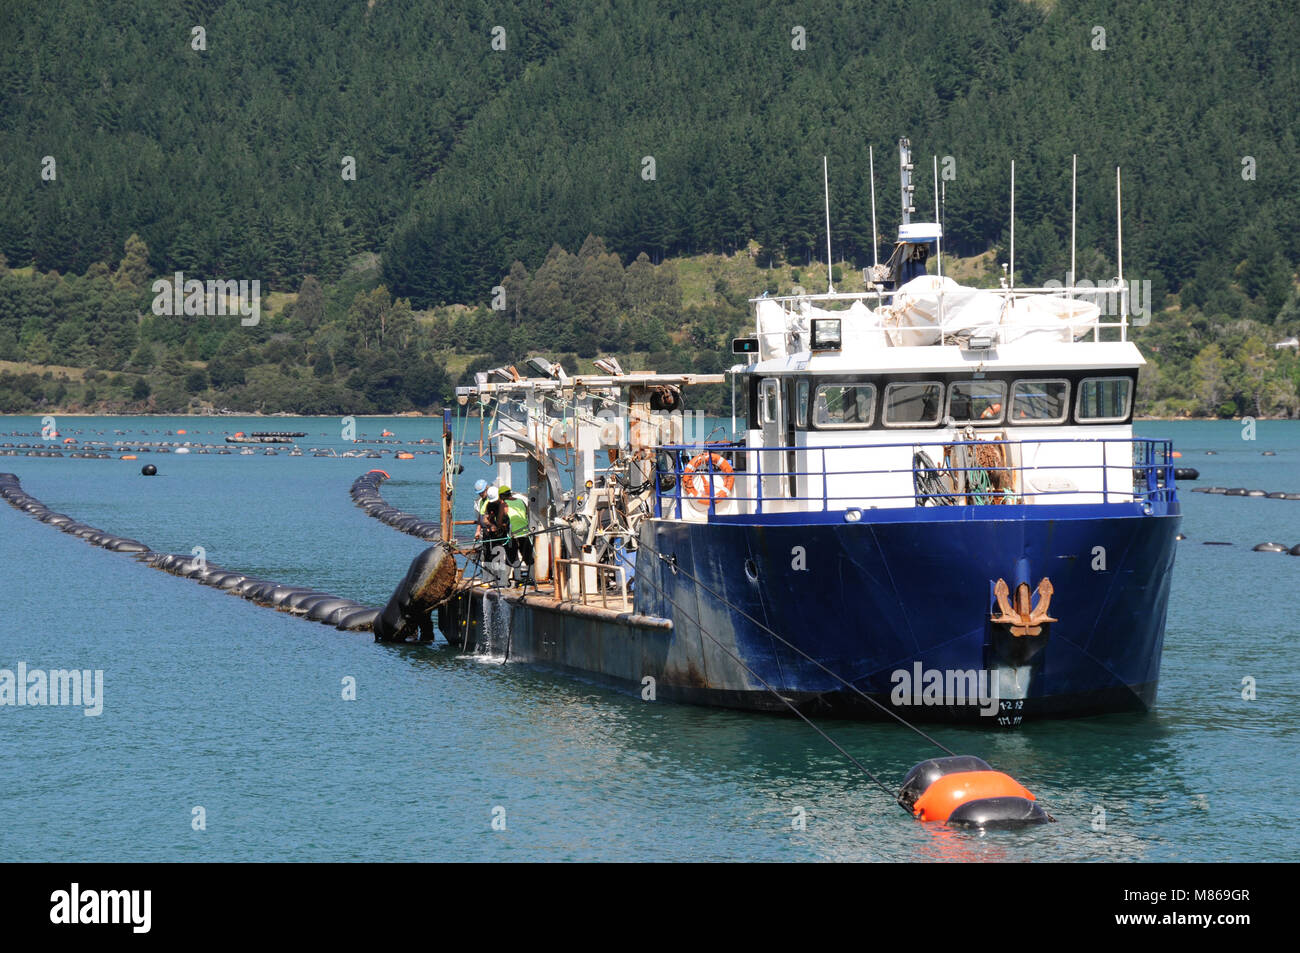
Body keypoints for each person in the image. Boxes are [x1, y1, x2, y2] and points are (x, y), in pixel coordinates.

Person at [499, 485, 534, 579]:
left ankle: (506, 580)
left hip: (512, 535)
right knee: (528, 558)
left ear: (502, 496)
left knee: (511, 558)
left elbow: (500, 520)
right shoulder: (521, 501)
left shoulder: (504, 504)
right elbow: (526, 513)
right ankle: (533, 579)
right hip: (525, 533)